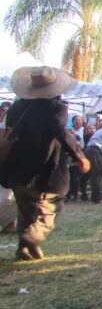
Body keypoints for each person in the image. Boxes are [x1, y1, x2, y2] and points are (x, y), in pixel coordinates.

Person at [0, 66, 90, 260]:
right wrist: (79, 156)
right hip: (45, 167)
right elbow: (61, 132)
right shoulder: (56, 108)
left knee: (26, 211)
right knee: (52, 206)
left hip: (17, 167)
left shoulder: (16, 107)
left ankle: (23, 249)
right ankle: (31, 238)